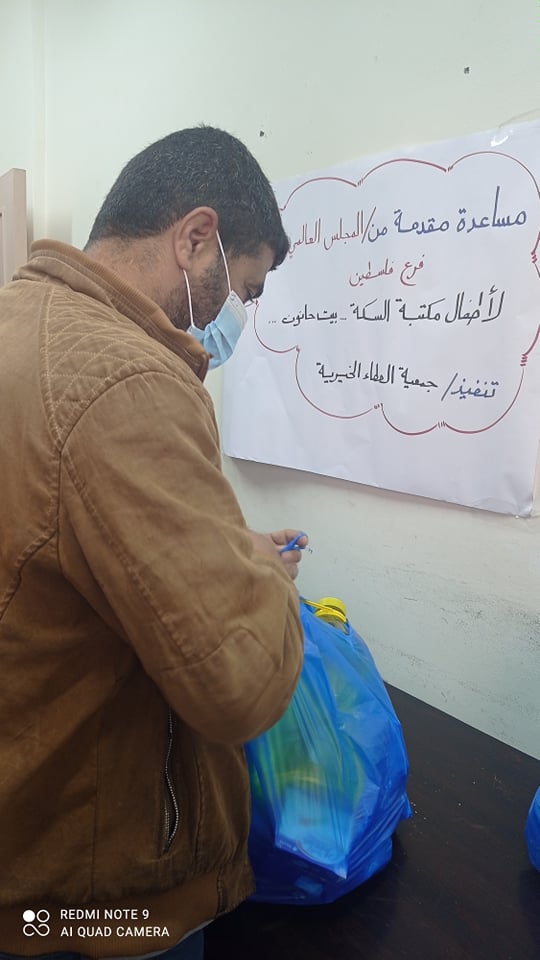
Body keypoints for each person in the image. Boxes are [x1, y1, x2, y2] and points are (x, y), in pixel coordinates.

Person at [0, 126, 307, 960]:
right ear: (196, 238)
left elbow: (66, 537)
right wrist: (269, 582)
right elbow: (238, 685)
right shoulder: (127, 380)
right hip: (101, 899)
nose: (234, 317)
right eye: (243, 289)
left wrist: (225, 546)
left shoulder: (21, 320)